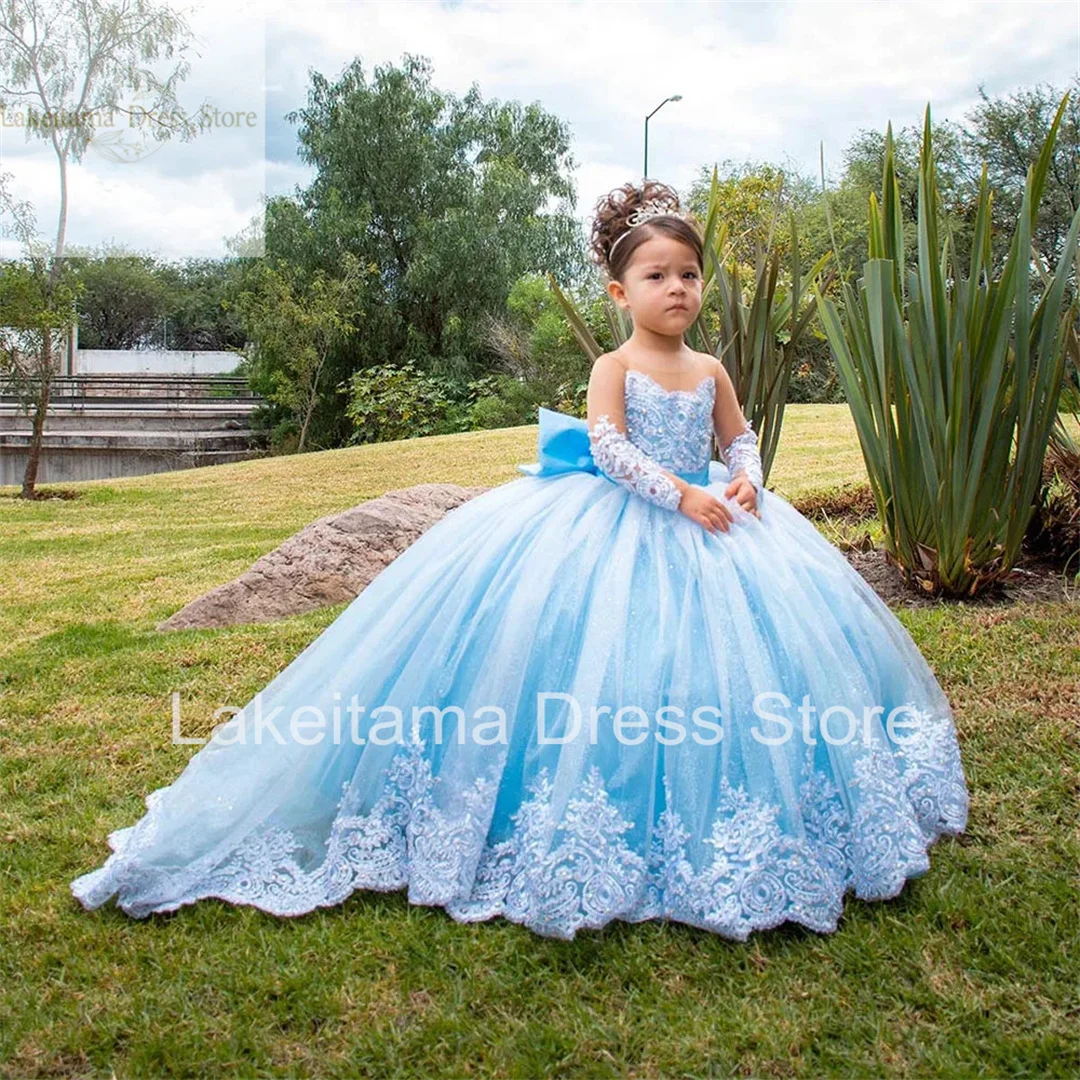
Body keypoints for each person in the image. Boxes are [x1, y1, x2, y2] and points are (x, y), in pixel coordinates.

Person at [70, 180, 970, 942]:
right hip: (618, 519)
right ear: (620, 292)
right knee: (583, 660)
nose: (678, 289)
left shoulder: (713, 368)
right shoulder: (615, 366)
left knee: (727, 673)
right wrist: (680, 492)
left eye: (690, 274)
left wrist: (742, 481)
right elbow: (611, 451)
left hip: (720, 528)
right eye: (657, 275)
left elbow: (742, 441)